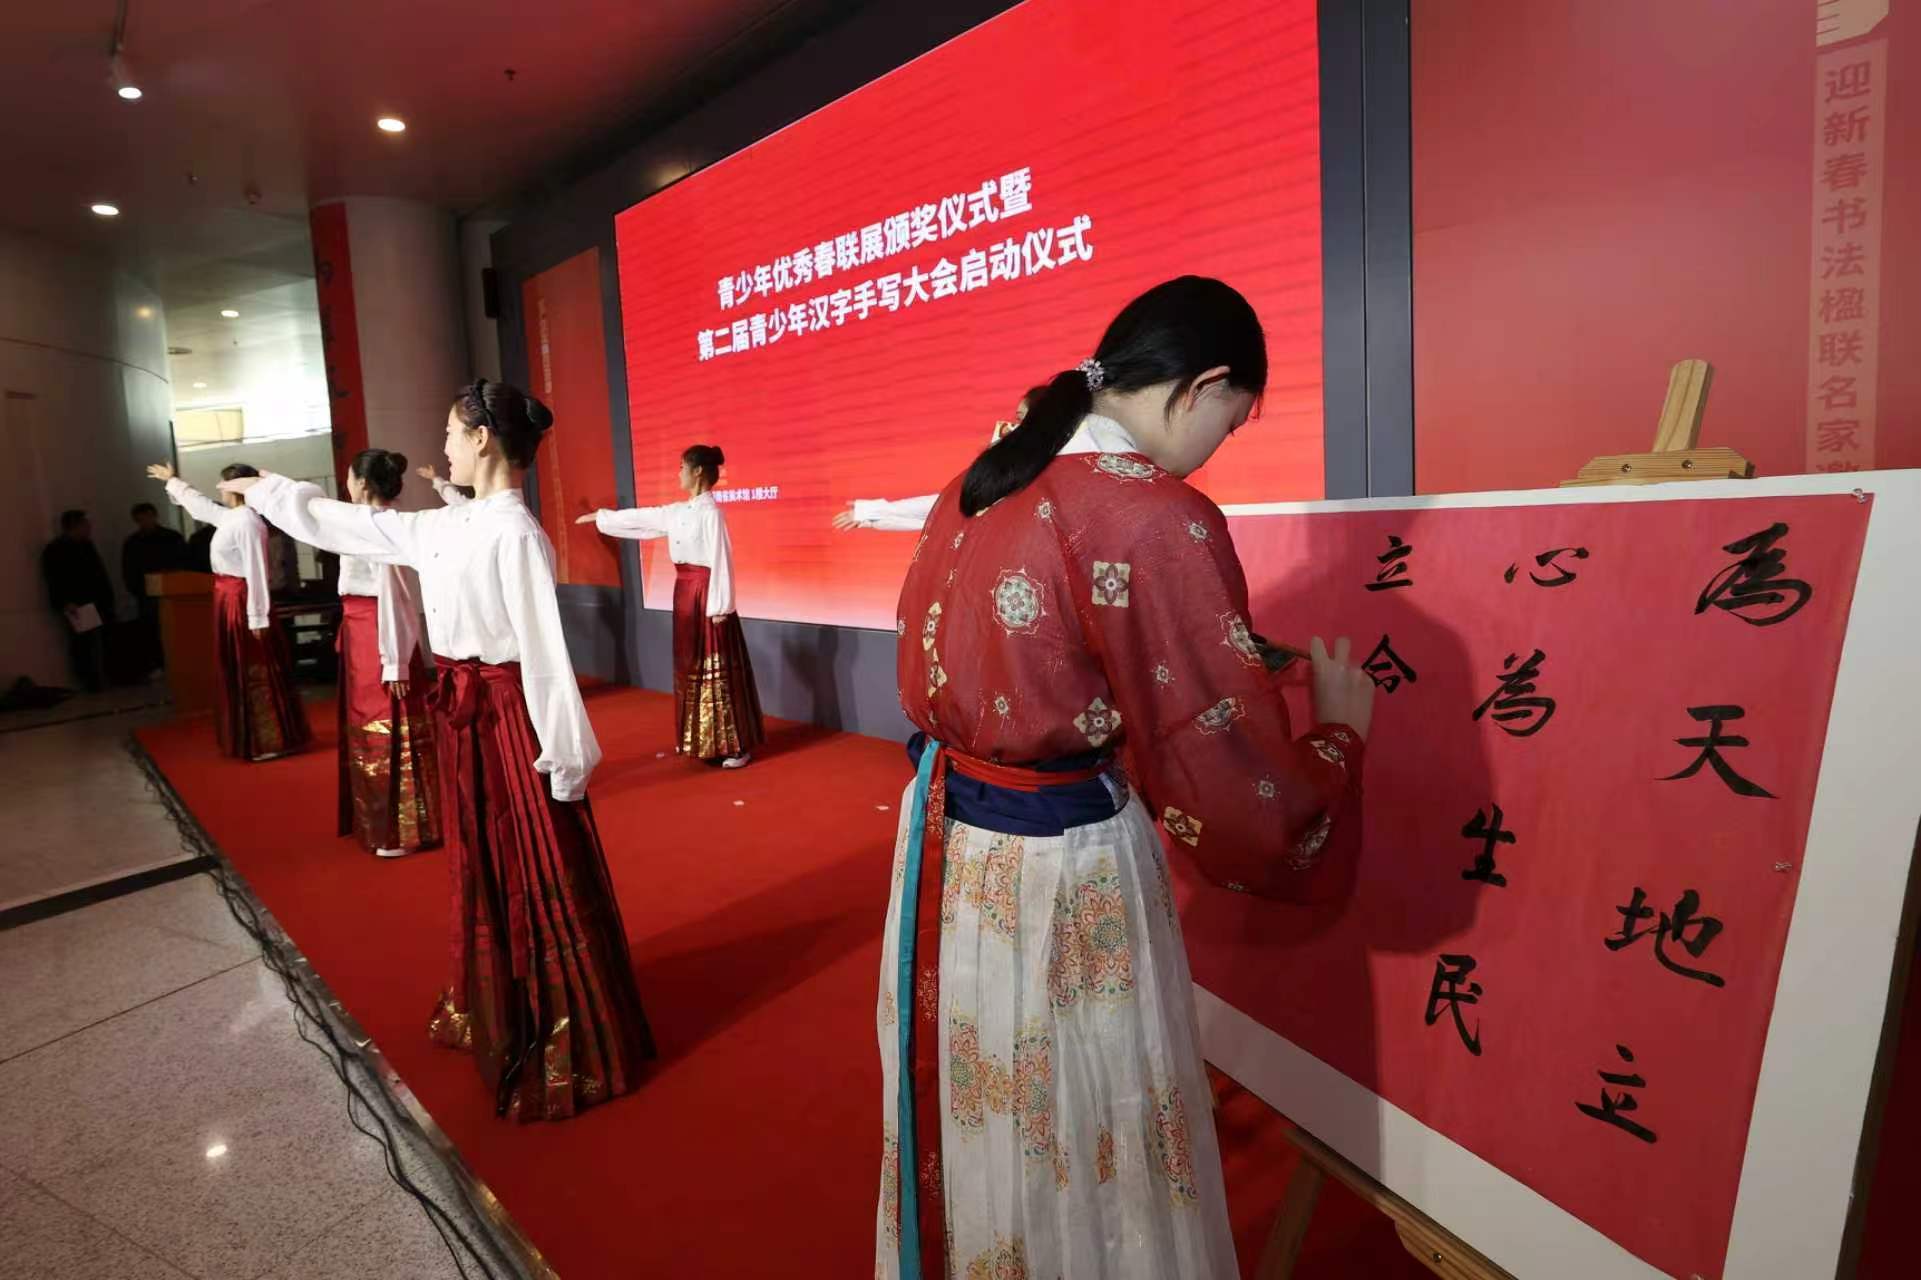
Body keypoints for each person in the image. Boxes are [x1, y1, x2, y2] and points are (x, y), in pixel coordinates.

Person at [873, 277, 1377, 1280]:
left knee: (989, 1099)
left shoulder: (985, 477)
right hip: (1060, 867)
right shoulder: (1152, 513)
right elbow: (1226, 775)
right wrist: (1335, 740)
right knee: (1085, 1116)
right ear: (1206, 385)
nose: (1218, 445)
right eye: (1232, 421)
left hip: (943, 848)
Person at [221, 378, 653, 1122]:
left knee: (526, 859)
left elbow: (544, 657)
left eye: (452, 432)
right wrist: (271, 489)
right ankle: (496, 994)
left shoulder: (515, 533)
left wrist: (566, 757)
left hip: (508, 718)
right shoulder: (449, 524)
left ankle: (555, 1016)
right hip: (463, 714)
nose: (444, 446)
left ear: (482, 438)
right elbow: (344, 524)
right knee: (482, 856)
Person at [581, 444, 764, 768]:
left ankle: (734, 746)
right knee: (691, 666)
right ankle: (706, 742)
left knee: (715, 667)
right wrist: (603, 517)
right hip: (685, 593)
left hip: (706, 595)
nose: (678, 473)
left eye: (682, 467)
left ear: (697, 471)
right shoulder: (679, 511)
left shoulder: (711, 514)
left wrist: (721, 606)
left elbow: (721, 559)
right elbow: (646, 518)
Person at [149, 464, 312, 760]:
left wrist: (258, 616)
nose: (219, 488)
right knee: (238, 666)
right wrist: (172, 481)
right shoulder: (231, 517)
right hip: (228, 597)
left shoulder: (248, 522)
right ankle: (252, 738)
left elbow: (257, 571)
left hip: (241, 599)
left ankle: (269, 739)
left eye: (223, 483)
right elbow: (201, 507)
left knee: (253, 667)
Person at [335, 448, 441, 858]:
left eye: (349, 477)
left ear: (362, 483)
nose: (346, 484)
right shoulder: (364, 520)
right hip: (363, 632)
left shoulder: (382, 525)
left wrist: (395, 660)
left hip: (380, 632)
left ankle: (402, 829)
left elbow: (396, 596)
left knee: (386, 722)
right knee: (368, 722)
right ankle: (379, 822)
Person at [831, 388, 1047, 533]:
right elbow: (942, 509)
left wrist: (872, 514)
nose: (1011, 427)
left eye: (1021, 419)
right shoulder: (1003, 468)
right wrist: (871, 515)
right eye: (1016, 419)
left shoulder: (1048, 473)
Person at [40, 510, 115, 692]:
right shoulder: (56, 549)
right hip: (78, 603)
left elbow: (98, 573)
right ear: (75, 526)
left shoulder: (85, 545)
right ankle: (91, 681)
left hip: (94, 599)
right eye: (85, 525)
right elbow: (55, 579)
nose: (89, 528)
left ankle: (101, 677)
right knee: (85, 643)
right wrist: (65, 601)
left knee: (99, 640)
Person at [123, 501, 187, 672]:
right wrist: (138, 591)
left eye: (147, 517)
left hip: (172, 591)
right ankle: (159, 664)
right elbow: (129, 571)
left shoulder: (171, 538)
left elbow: (183, 563)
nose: (145, 522)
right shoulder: (133, 543)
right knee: (151, 630)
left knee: (175, 629)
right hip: (147, 594)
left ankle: (179, 661)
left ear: (154, 516)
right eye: (141, 519)